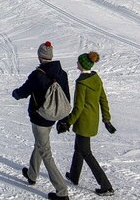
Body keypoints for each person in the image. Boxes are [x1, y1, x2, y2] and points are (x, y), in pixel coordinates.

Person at [13, 41, 71, 200]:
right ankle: (32, 174)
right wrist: (64, 118)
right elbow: (66, 97)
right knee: (40, 144)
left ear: (40, 56)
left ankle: (62, 191)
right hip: (53, 117)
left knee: (45, 152)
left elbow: (23, 92)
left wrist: (15, 94)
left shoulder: (37, 75)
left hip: (39, 118)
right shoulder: (62, 73)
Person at [55, 51, 116, 196]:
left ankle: (106, 186)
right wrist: (106, 119)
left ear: (82, 65)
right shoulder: (96, 78)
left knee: (86, 153)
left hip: (83, 123)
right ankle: (74, 176)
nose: (76, 64)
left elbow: (79, 107)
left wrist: (67, 122)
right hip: (92, 121)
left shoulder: (81, 82)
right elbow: (103, 99)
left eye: (78, 62)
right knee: (79, 148)